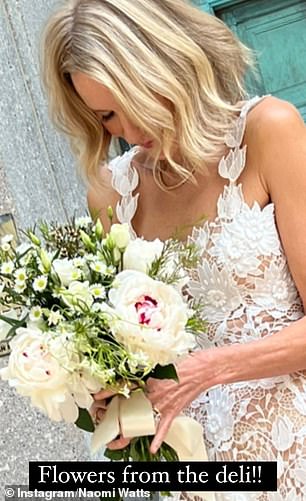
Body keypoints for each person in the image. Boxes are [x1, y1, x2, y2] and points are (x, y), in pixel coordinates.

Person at [41, 0, 306, 499]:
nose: (131, 132)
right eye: (107, 116)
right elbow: (130, 362)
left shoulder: (269, 131)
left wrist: (205, 370)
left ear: (165, 63)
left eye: (136, 100)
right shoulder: (111, 194)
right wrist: (109, 397)